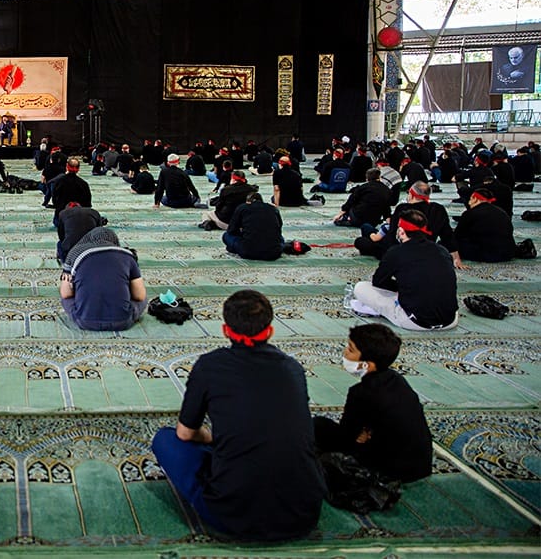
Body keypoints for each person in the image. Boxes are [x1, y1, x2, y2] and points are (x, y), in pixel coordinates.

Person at [152, 290, 324, 541]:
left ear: (225, 330)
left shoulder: (210, 366)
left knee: (165, 440)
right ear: (270, 331)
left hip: (232, 515)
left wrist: (210, 437)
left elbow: (185, 433)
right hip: (303, 514)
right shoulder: (292, 368)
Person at [314, 323, 432, 483]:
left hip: (391, 471)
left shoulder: (361, 393)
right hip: (421, 465)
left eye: (351, 350)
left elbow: (347, 437)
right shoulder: (397, 379)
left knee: (318, 426)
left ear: (367, 365)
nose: (345, 352)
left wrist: (361, 438)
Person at [350, 209, 458, 331]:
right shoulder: (442, 250)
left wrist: (399, 287)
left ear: (401, 231)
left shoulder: (396, 252)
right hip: (450, 320)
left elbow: (378, 281)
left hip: (414, 322)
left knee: (360, 287)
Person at [59, 227, 146, 331]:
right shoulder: (128, 256)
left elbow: (66, 294)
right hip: (122, 321)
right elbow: (140, 296)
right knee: (144, 298)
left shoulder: (76, 254)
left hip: (85, 321)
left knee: (66, 298)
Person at [354, 182, 460, 265]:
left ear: (411, 194)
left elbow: (392, 235)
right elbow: (447, 235)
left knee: (362, 237)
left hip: (399, 251)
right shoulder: (438, 209)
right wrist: (456, 258)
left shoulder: (403, 209)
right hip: (425, 251)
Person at [453, 187, 517, 263]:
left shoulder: (470, 213)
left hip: (486, 254)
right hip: (508, 253)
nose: (469, 203)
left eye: (470, 199)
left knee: (450, 243)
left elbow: (458, 235)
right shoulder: (502, 212)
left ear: (475, 199)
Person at [222, 193, 284, 261]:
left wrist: (242, 232)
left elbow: (231, 230)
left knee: (226, 236)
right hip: (274, 253)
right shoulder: (273, 209)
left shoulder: (242, 207)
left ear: (248, 202)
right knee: (281, 238)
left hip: (249, 252)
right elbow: (279, 228)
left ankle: (235, 248)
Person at [51, 157, 92, 225]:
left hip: (61, 215)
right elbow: (88, 204)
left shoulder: (58, 182)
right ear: (78, 169)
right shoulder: (83, 184)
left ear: (67, 166)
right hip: (79, 217)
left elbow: (54, 200)